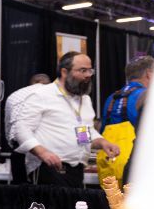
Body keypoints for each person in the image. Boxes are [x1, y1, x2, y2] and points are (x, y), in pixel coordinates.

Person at [13, 51, 120, 187]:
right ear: (64, 72)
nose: (88, 75)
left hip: (76, 171)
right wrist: (43, 153)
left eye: (90, 70)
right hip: (48, 169)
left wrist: (103, 143)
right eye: (83, 70)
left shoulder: (84, 100)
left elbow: (84, 136)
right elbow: (21, 129)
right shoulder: (42, 95)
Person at [98, 56, 154, 184]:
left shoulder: (111, 98)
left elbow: (102, 131)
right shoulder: (146, 96)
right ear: (149, 74)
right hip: (136, 166)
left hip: (108, 166)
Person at [5, 73, 51, 182]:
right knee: (44, 188)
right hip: (43, 147)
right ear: (48, 84)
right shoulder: (51, 94)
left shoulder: (14, 95)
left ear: (31, 83)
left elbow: (8, 125)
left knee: (20, 188)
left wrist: (12, 143)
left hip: (18, 147)